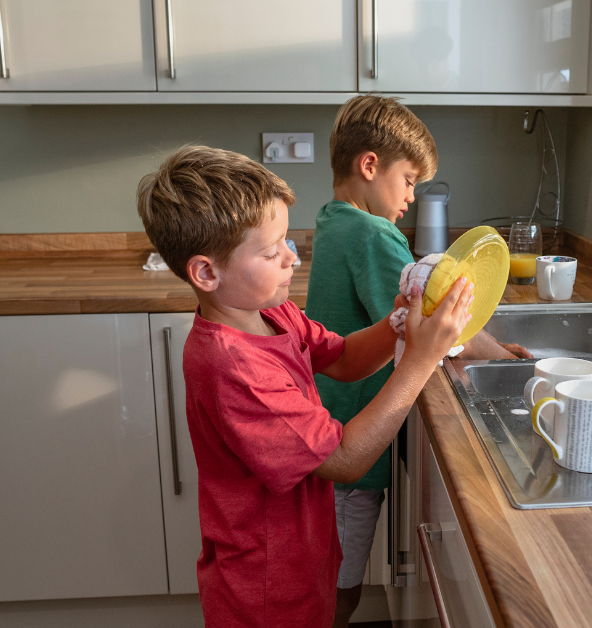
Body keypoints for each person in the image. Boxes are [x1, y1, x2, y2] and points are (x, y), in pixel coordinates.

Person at [136, 146, 474, 628]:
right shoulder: (232, 367)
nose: (291, 257)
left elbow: (342, 358)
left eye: (287, 241)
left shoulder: (270, 312)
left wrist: (398, 323)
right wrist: (420, 360)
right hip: (266, 592)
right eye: (272, 251)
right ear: (206, 272)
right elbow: (346, 458)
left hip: (303, 562)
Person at [305, 95, 532, 628]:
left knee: (329, 579)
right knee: (339, 590)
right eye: (408, 179)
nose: (411, 195)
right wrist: (501, 356)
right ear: (369, 165)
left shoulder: (333, 219)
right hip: (352, 449)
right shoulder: (373, 233)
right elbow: (434, 326)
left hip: (333, 421)